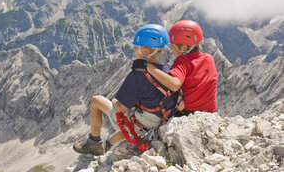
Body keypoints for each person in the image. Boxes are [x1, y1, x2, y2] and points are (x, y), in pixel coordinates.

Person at [73, 24, 183, 156]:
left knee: (96, 101)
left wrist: (114, 101)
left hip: (144, 124)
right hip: (160, 120)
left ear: (145, 51)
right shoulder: (166, 70)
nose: (134, 49)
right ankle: (106, 145)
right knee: (132, 117)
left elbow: (121, 109)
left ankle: (93, 143)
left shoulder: (137, 75)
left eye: (136, 47)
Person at [132, 20, 218, 116]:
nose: (171, 48)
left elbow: (174, 84)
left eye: (173, 45)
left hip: (188, 113)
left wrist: (147, 66)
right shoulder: (209, 58)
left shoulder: (183, 61)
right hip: (211, 113)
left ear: (184, 48)